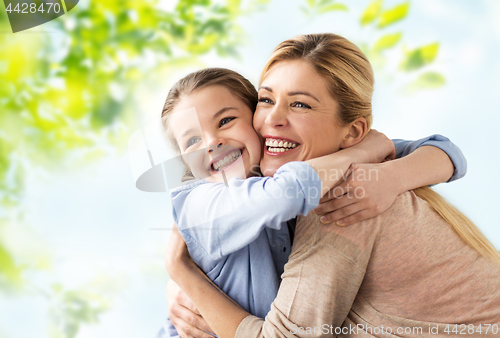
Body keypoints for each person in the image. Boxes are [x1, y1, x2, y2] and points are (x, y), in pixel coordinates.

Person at [165, 33, 500, 337]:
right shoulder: (218, 196)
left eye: (300, 104)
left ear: (352, 132)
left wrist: (185, 276)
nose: (273, 119)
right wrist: (367, 152)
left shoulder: (348, 197)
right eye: (266, 100)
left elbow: (444, 150)